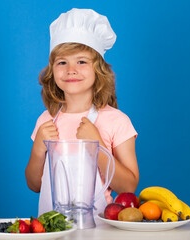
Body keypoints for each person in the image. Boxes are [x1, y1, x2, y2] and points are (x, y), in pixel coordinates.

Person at [25, 8, 139, 216]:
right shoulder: (46, 120)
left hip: (99, 228)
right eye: (62, 62)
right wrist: (38, 149)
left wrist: (98, 147)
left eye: (81, 61)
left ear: (99, 70)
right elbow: (34, 185)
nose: (71, 69)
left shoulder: (117, 121)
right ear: (52, 71)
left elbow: (128, 187)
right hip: (51, 229)